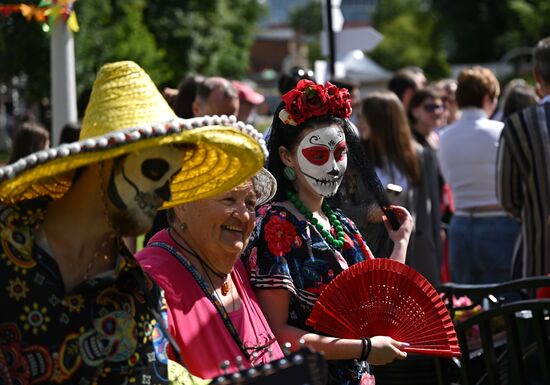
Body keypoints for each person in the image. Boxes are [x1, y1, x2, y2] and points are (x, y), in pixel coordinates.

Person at [0, 61, 267, 384]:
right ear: (105, 162)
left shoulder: (136, 294)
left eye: (171, 177)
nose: (166, 193)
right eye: (155, 171)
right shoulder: (8, 239)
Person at [242, 80, 413, 385]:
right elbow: (276, 333)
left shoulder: (340, 223)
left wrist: (401, 243)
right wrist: (363, 348)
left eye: (341, 152)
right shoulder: (275, 225)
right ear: (285, 157)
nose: (334, 167)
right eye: (319, 155)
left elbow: (381, 300)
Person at [137, 169, 283, 379]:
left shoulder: (233, 265)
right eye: (229, 199)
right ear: (183, 205)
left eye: (250, 204)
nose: (244, 215)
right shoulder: (150, 281)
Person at [340, 91, 442, 285]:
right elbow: (342, 210)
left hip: (415, 253)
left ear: (380, 120)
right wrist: (369, 214)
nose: (358, 122)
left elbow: (432, 215)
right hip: (374, 253)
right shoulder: (355, 159)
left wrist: (434, 259)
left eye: (363, 117)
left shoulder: (421, 156)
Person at [438, 66, 519, 284]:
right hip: (500, 223)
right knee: (506, 300)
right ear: (487, 98)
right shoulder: (502, 131)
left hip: (461, 224)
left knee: (467, 304)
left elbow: (447, 178)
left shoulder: (444, 137)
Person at [497, 37, 550, 278]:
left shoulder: (519, 125)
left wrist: (535, 211)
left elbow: (507, 197)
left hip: (540, 256)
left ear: (537, 75)